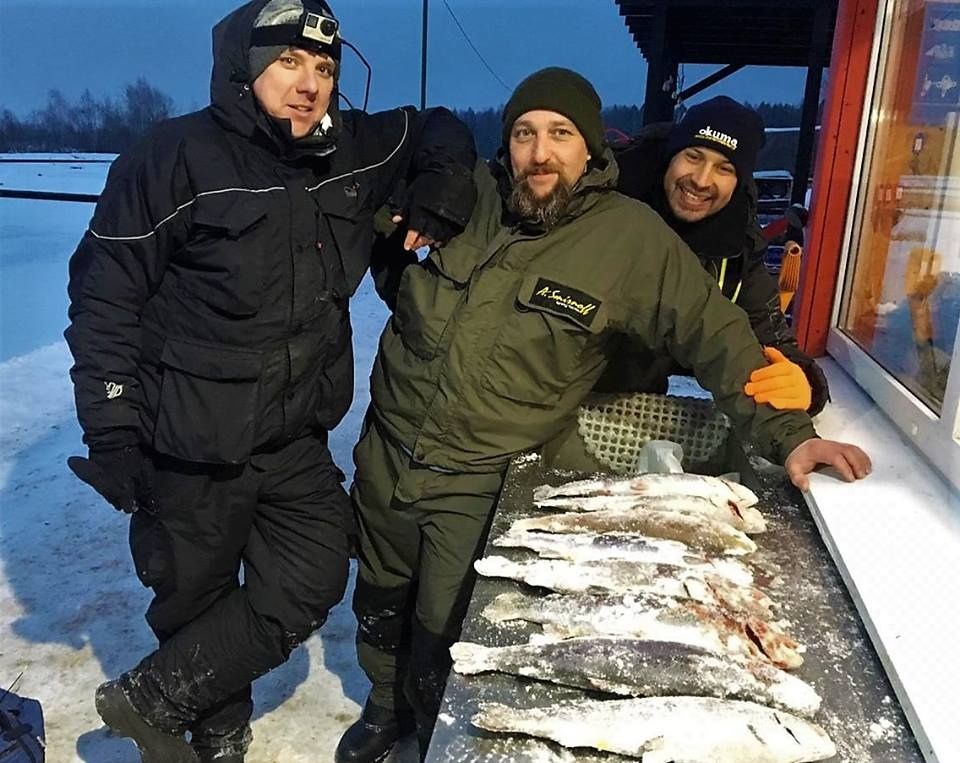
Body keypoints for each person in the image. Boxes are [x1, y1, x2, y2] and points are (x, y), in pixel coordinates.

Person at [337, 67, 871, 763]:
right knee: (378, 597)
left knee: (445, 624)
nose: (540, 153)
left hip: (479, 476)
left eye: (560, 134)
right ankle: (385, 703)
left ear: (590, 149)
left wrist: (790, 435)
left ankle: (437, 727)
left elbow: (717, 333)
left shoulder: (629, 239)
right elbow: (361, 183)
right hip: (386, 450)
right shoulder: (467, 195)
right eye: (524, 133)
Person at [64, 1, 476, 761]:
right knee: (194, 594)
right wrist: (112, 426)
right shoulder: (172, 156)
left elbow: (438, 127)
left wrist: (443, 184)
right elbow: (104, 296)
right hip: (189, 438)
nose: (309, 83)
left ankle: (151, 698)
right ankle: (214, 732)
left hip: (293, 436)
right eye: (288, 62)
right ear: (244, 68)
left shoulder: (351, 149)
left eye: (324, 68)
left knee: (314, 575)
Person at [608, 95, 829, 413]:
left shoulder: (737, 247)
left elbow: (774, 341)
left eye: (724, 168)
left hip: (630, 408)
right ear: (671, 155)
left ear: (738, 182)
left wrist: (804, 384)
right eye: (693, 156)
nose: (701, 180)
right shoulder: (606, 200)